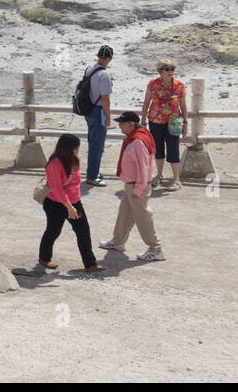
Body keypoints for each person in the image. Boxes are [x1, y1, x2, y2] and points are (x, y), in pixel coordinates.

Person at [99, 112, 165, 262]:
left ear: (131, 124)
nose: (120, 126)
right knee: (124, 213)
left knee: (143, 218)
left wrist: (138, 189)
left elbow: (144, 167)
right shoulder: (137, 137)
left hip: (137, 185)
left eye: (122, 123)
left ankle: (156, 248)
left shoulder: (138, 142)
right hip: (132, 184)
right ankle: (118, 242)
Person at [40, 134, 105, 273]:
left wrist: (73, 205)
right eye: (76, 148)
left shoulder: (73, 160)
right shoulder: (54, 164)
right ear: (67, 148)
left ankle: (90, 264)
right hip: (56, 204)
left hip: (75, 203)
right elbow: (57, 189)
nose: (77, 150)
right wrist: (69, 207)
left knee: (83, 232)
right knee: (53, 231)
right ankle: (44, 258)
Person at [142, 59, 186, 191]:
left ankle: (176, 179)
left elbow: (183, 106)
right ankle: (159, 175)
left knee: (173, 149)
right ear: (160, 71)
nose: (170, 71)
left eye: (172, 68)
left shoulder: (179, 85)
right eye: (167, 69)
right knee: (158, 149)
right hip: (155, 121)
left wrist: (186, 123)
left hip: (173, 122)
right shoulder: (152, 84)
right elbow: (146, 103)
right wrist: (143, 120)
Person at [80, 45, 114, 186]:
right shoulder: (104, 75)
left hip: (88, 109)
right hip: (98, 111)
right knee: (97, 145)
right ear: (110, 58)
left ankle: (93, 171)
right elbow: (105, 99)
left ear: (98, 56)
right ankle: (92, 176)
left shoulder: (90, 68)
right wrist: (108, 116)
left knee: (92, 142)